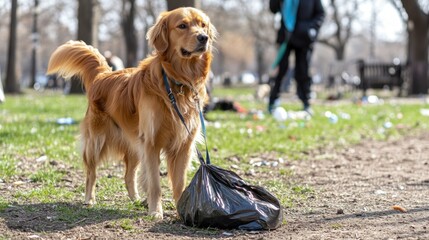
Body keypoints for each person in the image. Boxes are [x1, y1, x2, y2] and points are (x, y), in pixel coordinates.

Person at [268, 0, 325, 115]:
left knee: (303, 71)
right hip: (286, 36)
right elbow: (273, 9)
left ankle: (306, 102)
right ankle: (273, 101)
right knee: (281, 70)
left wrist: (309, 27)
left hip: (304, 38)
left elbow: (320, 14)